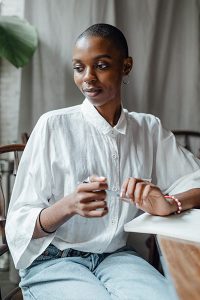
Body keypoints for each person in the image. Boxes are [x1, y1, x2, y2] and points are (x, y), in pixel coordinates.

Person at [6, 23, 200, 300]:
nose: (88, 78)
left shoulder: (148, 129)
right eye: (79, 67)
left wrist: (169, 203)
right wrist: (68, 206)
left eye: (102, 65)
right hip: (53, 261)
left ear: (126, 66)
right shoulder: (53, 125)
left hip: (117, 257)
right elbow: (18, 224)